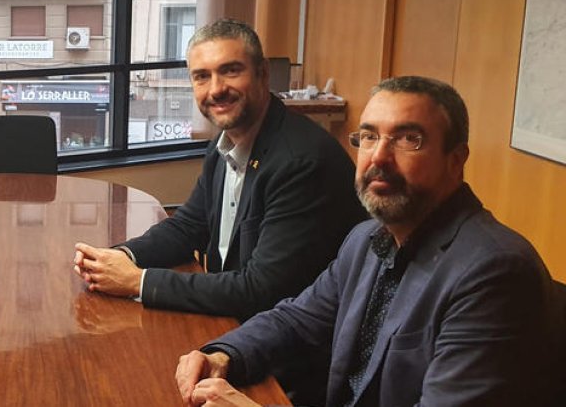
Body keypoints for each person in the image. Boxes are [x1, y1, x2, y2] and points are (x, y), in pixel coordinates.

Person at [175, 76, 558, 407]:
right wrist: (225, 354)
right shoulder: (366, 238)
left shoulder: (494, 272)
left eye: (409, 139)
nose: (380, 157)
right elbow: (297, 319)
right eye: (369, 137)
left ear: (455, 160)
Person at [74, 19, 364, 321]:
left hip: (288, 346)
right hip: (237, 323)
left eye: (230, 71)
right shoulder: (224, 144)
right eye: (202, 76)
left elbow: (262, 290)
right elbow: (188, 225)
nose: (216, 89)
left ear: (263, 73)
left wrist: (137, 281)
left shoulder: (301, 163)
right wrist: (122, 257)